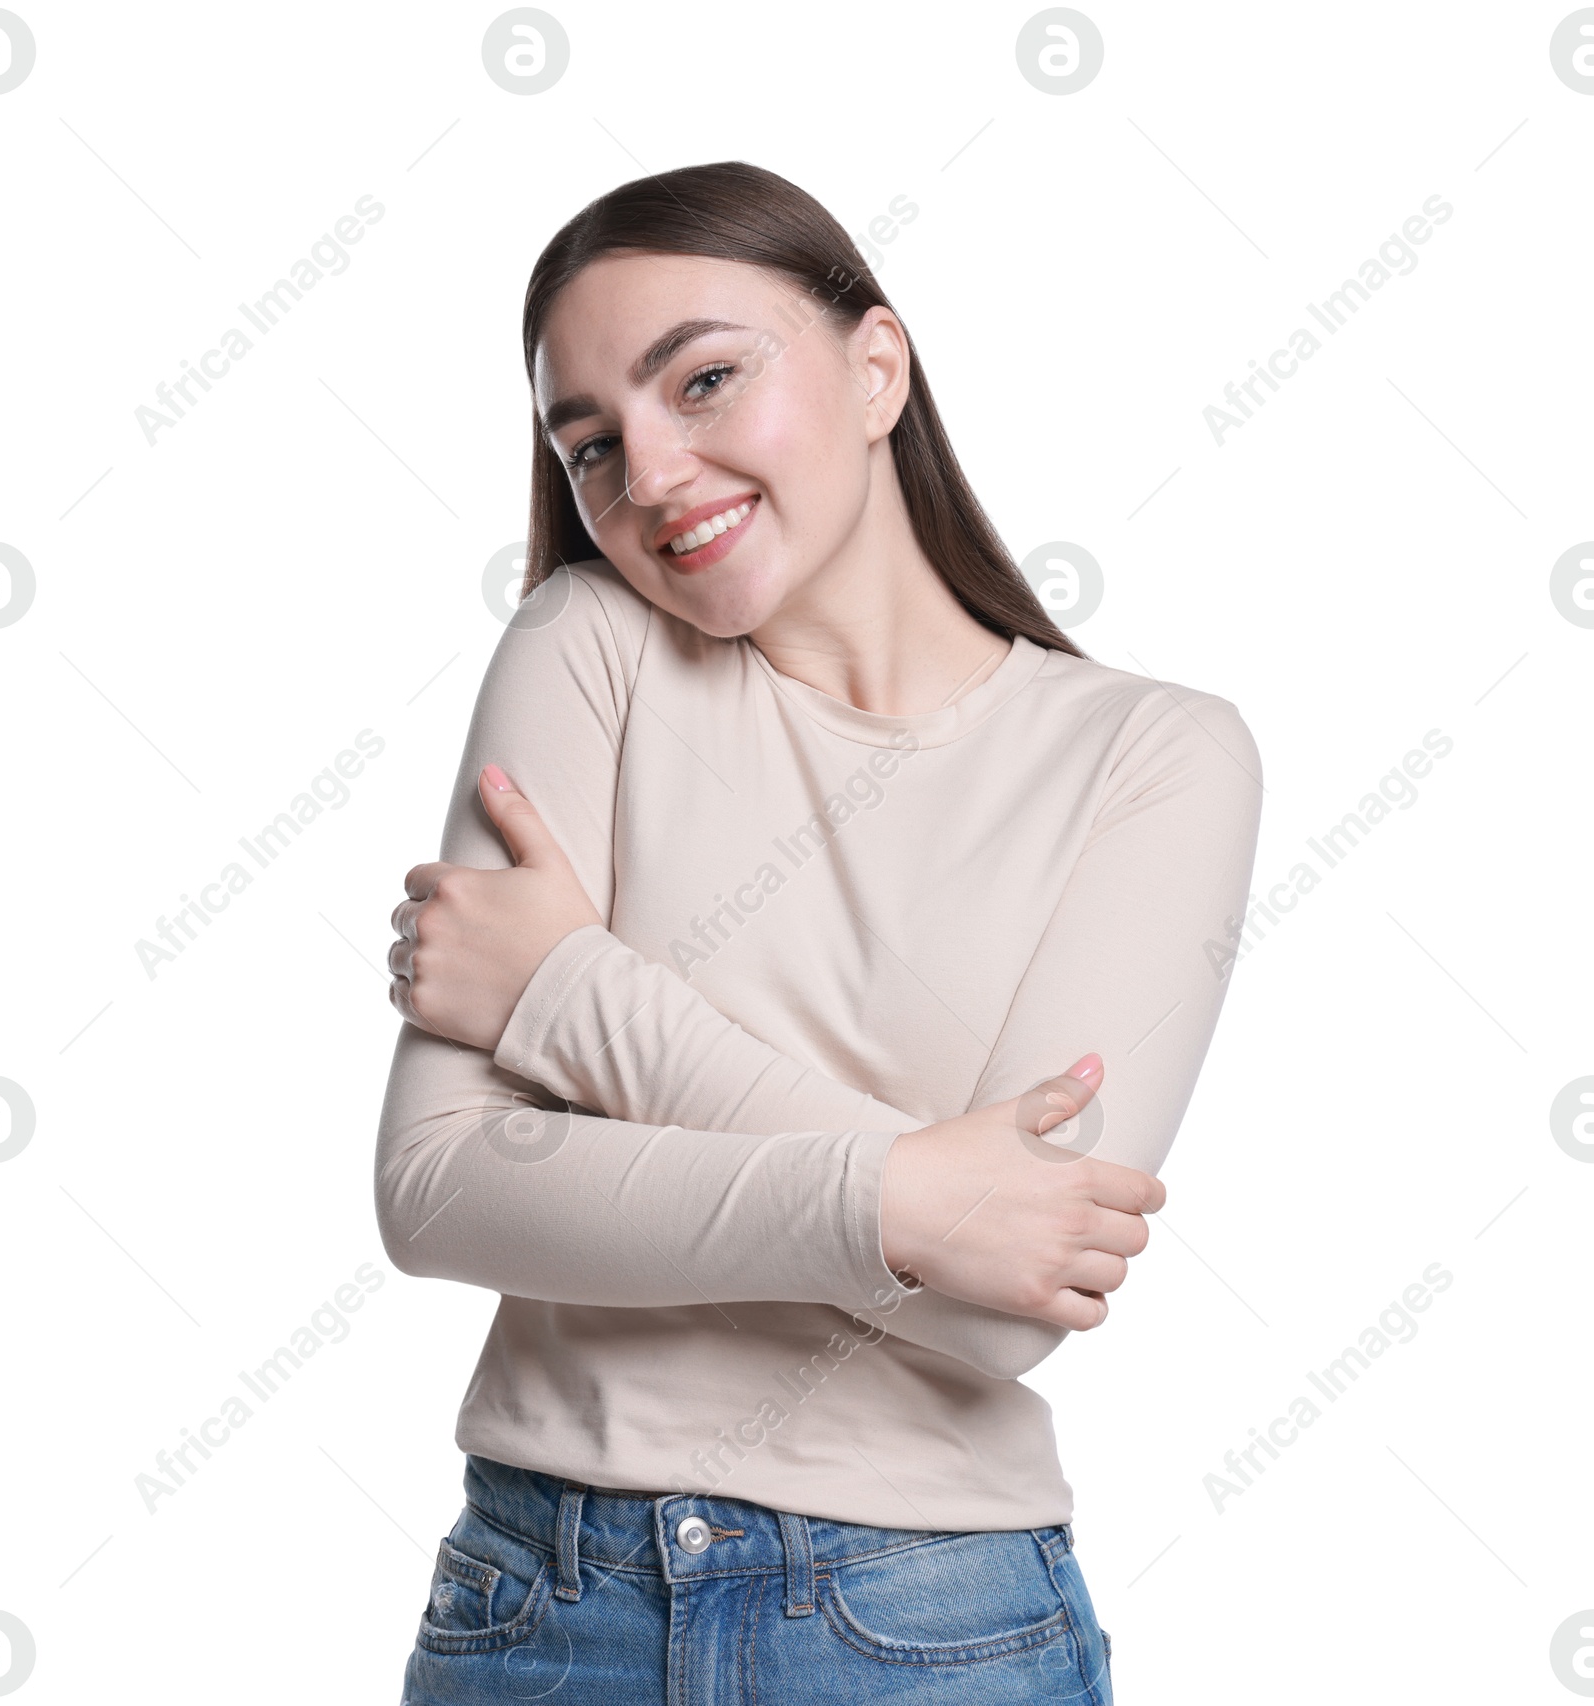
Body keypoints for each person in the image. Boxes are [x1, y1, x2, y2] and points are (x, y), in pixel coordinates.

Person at [376, 159, 1263, 1705]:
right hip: (546, 1603)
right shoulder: (587, 648)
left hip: (932, 1617)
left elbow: (1010, 1310)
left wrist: (570, 993)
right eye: (590, 445)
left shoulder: (1157, 757)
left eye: (704, 378)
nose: (647, 474)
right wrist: (907, 1198)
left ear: (877, 368)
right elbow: (440, 1188)